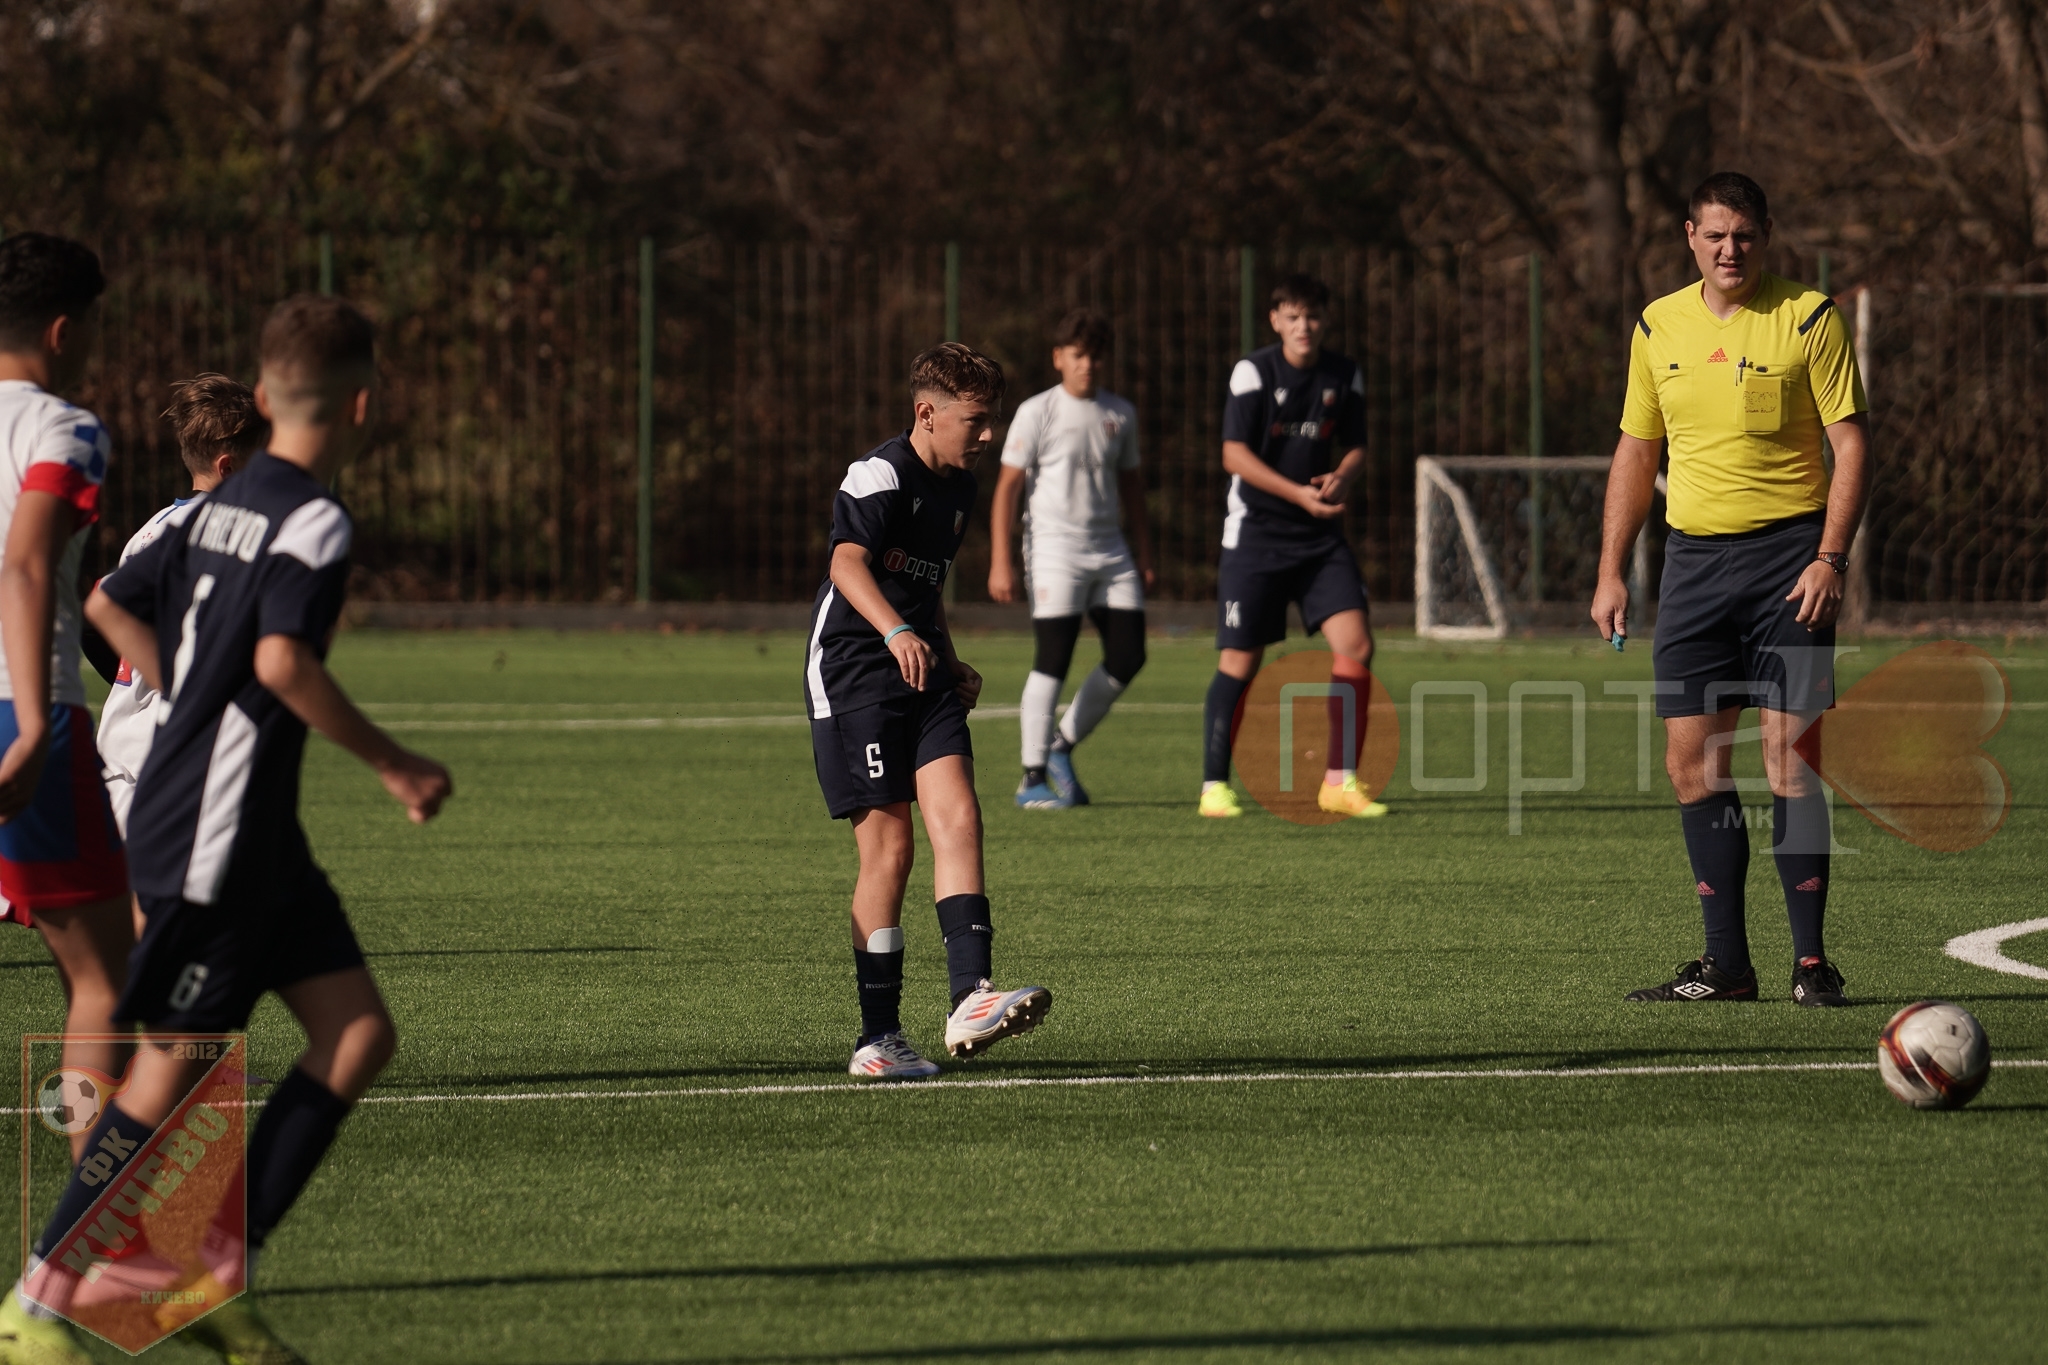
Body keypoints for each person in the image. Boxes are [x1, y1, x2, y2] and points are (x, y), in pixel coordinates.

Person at [1, 295, 454, 1365]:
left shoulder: (210, 506)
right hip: (214, 826)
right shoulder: (313, 520)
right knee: (167, 1067)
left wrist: (181, 679)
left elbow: (105, 601)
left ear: (262, 395)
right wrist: (394, 762)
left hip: (253, 829)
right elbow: (283, 662)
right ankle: (39, 1301)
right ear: (361, 404)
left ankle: (200, 1272)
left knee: (358, 1035)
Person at [1590, 172, 1869, 1008]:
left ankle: (1812, 964)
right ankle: (1727, 968)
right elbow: (1637, 451)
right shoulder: (1657, 325)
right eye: (1714, 235)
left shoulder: (1809, 316)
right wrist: (1610, 568)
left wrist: (1831, 558)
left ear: (1766, 235)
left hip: (1790, 564)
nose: (1729, 250)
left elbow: (1852, 445)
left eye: (1744, 235)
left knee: (1791, 759)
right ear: (1690, 236)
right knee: (1692, 766)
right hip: (1693, 570)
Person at [805, 342, 1051, 1080]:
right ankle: (877, 1039)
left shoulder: (961, 488)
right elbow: (846, 563)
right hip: (855, 670)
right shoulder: (879, 474)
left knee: (961, 816)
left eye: (992, 419)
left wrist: (947, 654)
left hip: (920, 667)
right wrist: (896, 632)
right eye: (976, 421)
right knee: (891, 850)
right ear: (927, 413)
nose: (989, 435)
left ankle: (971, 997)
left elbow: (927, 584)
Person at [0, 232, 135, 1163]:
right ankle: (99, 1212)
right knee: (103, 978)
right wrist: (34, 721)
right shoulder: (66, 429)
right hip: (22, 713)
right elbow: (26, 562)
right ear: (62, 330)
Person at [1197, 272, 1386, 821]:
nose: (1305, 326)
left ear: (1326, 321)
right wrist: (1297, 495)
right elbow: (1234, 455)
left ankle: (1339, 783)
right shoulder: (1253, 372)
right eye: (1294, 316)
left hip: (1320, 539)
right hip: (1256, 535)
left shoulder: (1344, 374)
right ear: (1276, 321)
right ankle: (1214, 786)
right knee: (1241, 659)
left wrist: (1343, 476)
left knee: (1356, 644)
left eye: (1314, 316)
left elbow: (1357, 446)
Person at [988, 308, 1151, 809]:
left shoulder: (1120, 413)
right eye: (1078, 355)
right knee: (1053, 658)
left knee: (1129, 655)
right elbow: (1007, 488)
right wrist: (1000, 560)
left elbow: (1132, 488)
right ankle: (1032, 777)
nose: (1087, 365)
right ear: (1058, 358)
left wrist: (1144, 552)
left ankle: (1062, 744)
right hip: (1054, 550)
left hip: (1110, 550)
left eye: (1095, 356)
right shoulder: (1037, 411)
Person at [96, 374, 267, 838]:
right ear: (229, 467)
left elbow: (97, 619)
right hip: (176, 764)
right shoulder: (224, 535)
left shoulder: (151, 530)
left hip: (126, 756)